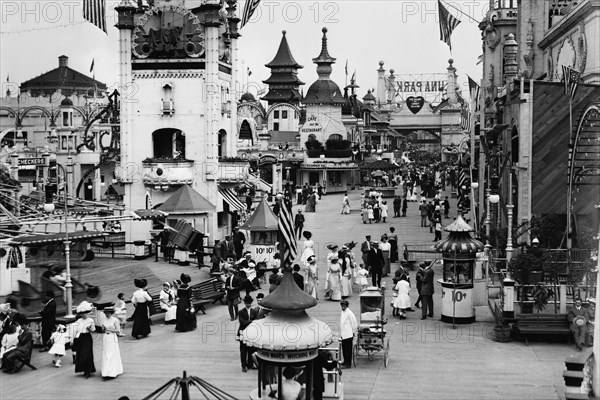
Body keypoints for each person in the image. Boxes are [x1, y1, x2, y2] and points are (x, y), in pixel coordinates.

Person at [72, 302, 96, 378]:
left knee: (87, 354)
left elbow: (93, 330)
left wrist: (89, 329)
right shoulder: (78, 321)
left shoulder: (90, 320)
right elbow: (75, 330)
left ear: (87, 313)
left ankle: (88, 371)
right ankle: (84, 369)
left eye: (85, 313)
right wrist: (72, 339)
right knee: (81, 354)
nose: (84, 315)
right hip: (80, 338)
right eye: (82, 313)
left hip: (87, 337)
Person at [101, 307, 124, 379]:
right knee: (106, 353)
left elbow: (118, 330)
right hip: (106, 337)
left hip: (112, 337)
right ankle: (106, 371)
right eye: (105, 313)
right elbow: (102, 330)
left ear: (111, 313)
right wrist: (103, 329)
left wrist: (110, 329)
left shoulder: (115, 320)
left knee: (111, 353)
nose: (107, 314)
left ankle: (112, 372)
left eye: (108, 313)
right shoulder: (103, 319)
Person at [238, 295, 257, 372]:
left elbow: (256, 322)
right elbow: (242, 322)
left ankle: (250, 364)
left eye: (249, 303)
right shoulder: (241, 312)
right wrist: (252, 322)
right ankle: (243, 365)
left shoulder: (254, 311)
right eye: (246, 303)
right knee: (243, 350)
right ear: (244, 303)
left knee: (251, 349)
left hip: (251, 333)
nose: (248, 304)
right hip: (243, 332)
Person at [339, 300, 357, 369]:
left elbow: (354, 323)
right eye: (342, 306)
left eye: (344, 306)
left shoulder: (349, 313)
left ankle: (348, 363)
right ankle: (345, 361)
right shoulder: (343, 312)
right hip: (344, 334)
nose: (343, 307)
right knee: (344, 349)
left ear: (347, 306)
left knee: (348, 350)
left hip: (349, 334)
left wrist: (353, 332)